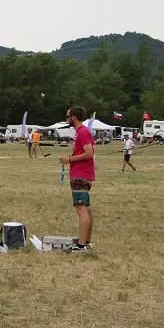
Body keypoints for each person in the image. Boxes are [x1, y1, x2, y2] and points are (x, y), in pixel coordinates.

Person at [59, 106, 95, 253]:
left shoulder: (83, 132)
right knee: (85, 208)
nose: (66, 119)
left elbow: (89, 153)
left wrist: (69, 159)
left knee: (81, 208)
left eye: (68, 116)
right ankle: (86, 241)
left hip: (81, 175)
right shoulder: (80, 132)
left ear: (74, 117)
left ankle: (81, 245)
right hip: (80, 173)